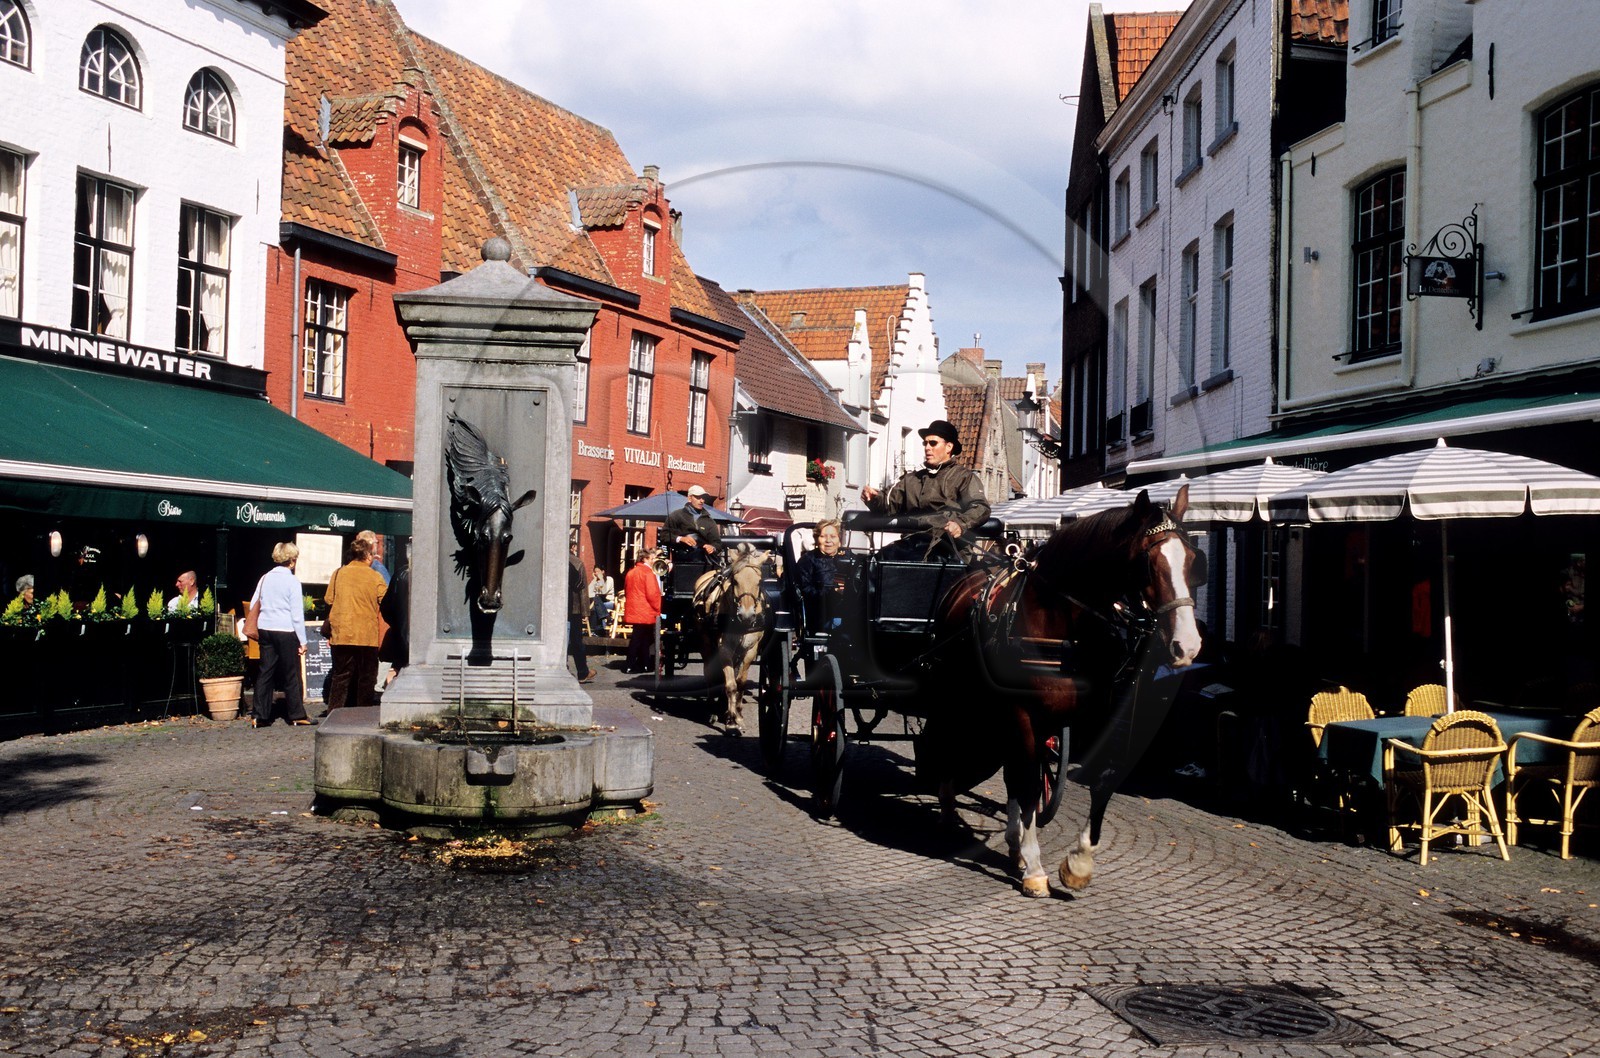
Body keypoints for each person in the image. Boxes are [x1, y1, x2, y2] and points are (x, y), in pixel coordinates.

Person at [860, 419, 989, 560]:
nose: (927, 447)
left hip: (947, 547)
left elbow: (980, 507)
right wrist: (873, 498)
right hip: (913, 544)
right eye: (925, 443)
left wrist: (960, 524)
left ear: (949, 447)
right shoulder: (912, 479)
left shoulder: (963, 477)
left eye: (933, 443)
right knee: (874, 564)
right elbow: (889, 504)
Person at [248, 542, 313, 728]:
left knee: (265, 672)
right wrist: (303, 640)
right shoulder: (293, 581)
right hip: (286, 630)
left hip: (265, 629)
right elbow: (296, 615)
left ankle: (259, 715)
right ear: (292, 561)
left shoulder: (265, 578)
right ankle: (296, 714)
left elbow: (254, 602)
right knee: (291, 674)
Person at [323, 530, 387, 712]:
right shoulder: (375, 577)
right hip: (366, 635)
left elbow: (329, 599)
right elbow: (386, 601)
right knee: (366, 678)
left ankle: (334, 713)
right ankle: (362, 714)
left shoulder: (338, 573)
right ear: (367, 555)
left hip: (341, 633)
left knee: (341, 676)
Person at [792, 519, 850, 634]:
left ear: (839, 539)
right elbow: (803, 590)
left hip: (850, 613)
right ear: (816, 539)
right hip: (820, 614)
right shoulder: (807, 560)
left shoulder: (849, 557)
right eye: (823, 536)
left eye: (833, 536)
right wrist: (829, 593)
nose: (828, 541)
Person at [623, 549, 663, 674]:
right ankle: (637, 664)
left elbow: (626, 591)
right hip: (645, 610)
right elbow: (652, 594)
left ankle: (638, 664)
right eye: (651, 559)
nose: (653, 561)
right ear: (645, 559)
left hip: (634, 609)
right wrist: (658, 609)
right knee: (644, 638)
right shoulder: (648, 573)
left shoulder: (631, 572)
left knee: (638, 637)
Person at [664, 484, 723, 559]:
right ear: (689, 498)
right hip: (681, 562)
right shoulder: (676, 516)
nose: (702, 501)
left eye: (703, 498)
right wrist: (681, 539)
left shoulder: (709, 521)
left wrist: (712, 547)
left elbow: (718, 543)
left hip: (704, 562)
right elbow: (664, 536)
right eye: (698, 497)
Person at [378, 562, 410, 688]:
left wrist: (397, 625)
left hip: (402, 633)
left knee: (402, 669)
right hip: (427, 640)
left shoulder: (400, 574)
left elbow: (387, 606)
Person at [567, 545, 594, 684]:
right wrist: (586, 612)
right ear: (572, 547)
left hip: (559, 608)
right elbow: (583, 590)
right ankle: (582, 671)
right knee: (577, 640)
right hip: (575, 608)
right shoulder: (577, 563)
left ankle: (563, 668)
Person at [588, 564, 616, 636]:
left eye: (598, 571)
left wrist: (601, 580)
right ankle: (606, 617)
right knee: (595, 606)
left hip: (609, 602)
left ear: (603, 571)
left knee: (596, 601)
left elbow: (603, 592)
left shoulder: (609, 579)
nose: (596, 573)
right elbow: (588, 592)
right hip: (599, 603)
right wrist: (594, 580)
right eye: (595, 572)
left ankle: (594, 630)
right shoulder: (595, 581)